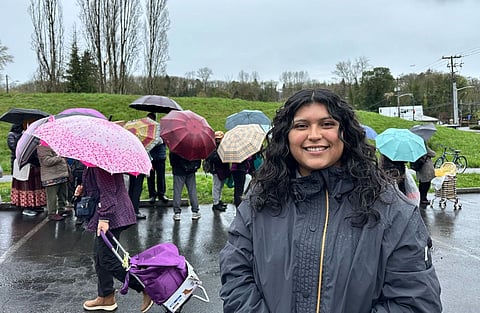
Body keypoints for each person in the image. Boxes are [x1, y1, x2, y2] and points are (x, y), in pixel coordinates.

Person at [219, 88, 442, 312]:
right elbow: (237, 276)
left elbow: (415, 301)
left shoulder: (391, 209)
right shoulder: (259, 199)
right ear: (286, 135)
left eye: (327, 124)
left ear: (346, 132)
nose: (314, 135)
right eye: (301, 125)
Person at [78, 167, 153, 312]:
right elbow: (98, 188)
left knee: (107, 259)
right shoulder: (93, 162)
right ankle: (106, 297)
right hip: (110, 213)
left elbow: (108, 192)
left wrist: (105, 217)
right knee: (99, 257)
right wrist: (82, 190)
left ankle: (145, 287)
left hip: (112, 215)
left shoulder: (100, 163)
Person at [37, 144, 72, 221]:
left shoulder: (56, 144)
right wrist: (60, 157)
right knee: (52, 197)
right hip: (51, 176)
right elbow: (46, 161)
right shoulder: (42, 146)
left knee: (63, 193)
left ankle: (61, 209)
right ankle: (51, 213)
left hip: (61, 174)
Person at [169, 151, 201, 221]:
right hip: (191, 170)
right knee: (192, 191)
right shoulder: (194, 145)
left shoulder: (175, 146)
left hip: (178, 171)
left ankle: (177, 213)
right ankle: (195, 211)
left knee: (177, 192)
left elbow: (172, 160)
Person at [146, 112, 170, 204]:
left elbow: (163, 140)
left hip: (160, 156)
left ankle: (161, 194)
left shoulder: (160, 128)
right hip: (150, 157)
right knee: (150, 177)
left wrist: (155, 140)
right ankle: (152, 194)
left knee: (161, 176)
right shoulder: (146, 130)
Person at [204, 131, 231, 211]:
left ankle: (219, 200)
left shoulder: (225, 146)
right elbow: (211, 158)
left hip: (224, 169)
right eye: (217, 139)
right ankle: (215, 203)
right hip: (216, 170)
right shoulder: (212, 148)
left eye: (220, 139)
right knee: (217, 186)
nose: (218, 140)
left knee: (221, 186)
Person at [415, 141, 436, 206]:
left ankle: (421, 197)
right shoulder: (422, 144)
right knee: (426, 183)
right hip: (425, 167)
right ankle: (423, 198)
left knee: (421, 183)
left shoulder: (415, 144)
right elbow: (432, 154)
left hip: (419, 166)